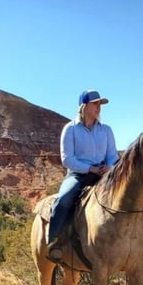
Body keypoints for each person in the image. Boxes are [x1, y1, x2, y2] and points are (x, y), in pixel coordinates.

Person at [47, 89, 118, 261]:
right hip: (78, 175)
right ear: (84, 106)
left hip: (104, 174)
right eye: (95, 104)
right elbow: (67, 159)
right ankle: (54, 243)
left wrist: (108, 167)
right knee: (63, 200)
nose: (98, 108)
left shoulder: (106, 130)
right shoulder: (70, 129)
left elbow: (113, 155)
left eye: (100, 104)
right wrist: (90, 169)